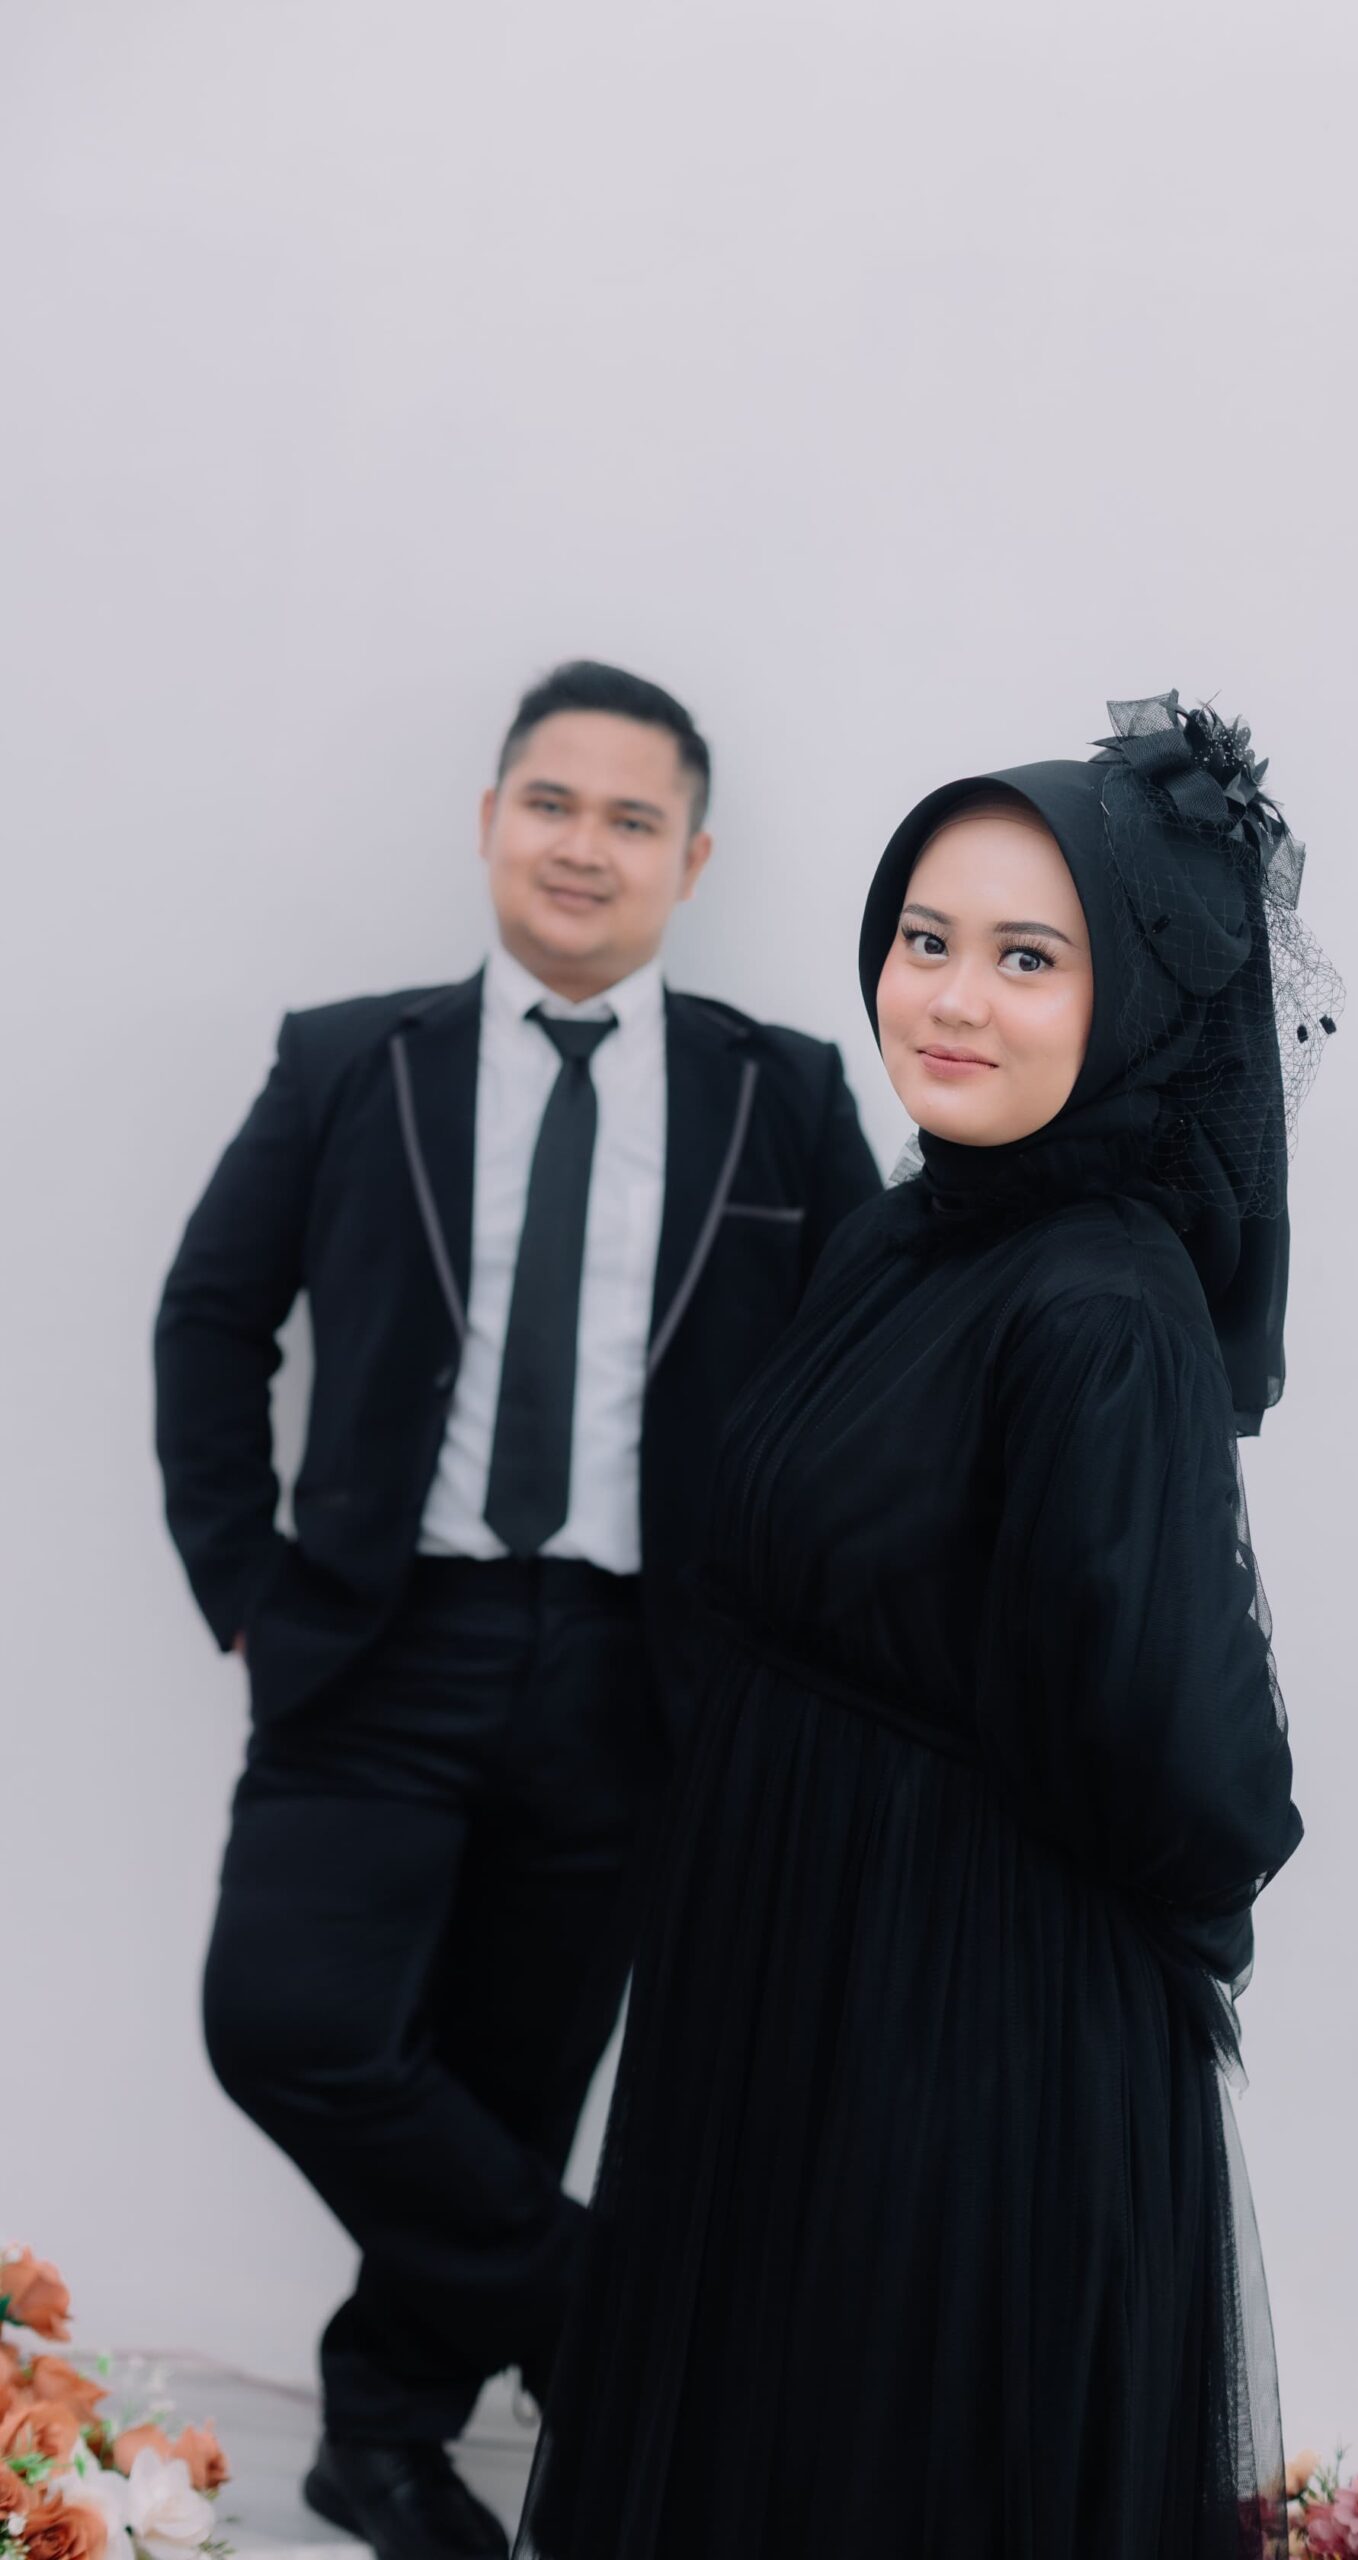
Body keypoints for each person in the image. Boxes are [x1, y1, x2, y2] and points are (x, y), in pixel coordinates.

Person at [515, 691, 1340, 2560]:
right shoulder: (914, 1232)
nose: (951, 1000)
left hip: (958, 2032)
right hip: (796, 1978)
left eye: (1028, 958)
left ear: (1133, 1002)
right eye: (924, 939)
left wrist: (935, 1930)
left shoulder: (1097, 1306)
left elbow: (1185, 1762)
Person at [153, 659, 882, 2560]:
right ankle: (610, 2328)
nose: (585, 846)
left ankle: (384, 2439)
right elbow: (213, 1320)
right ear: (491, 821)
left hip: (646, 1674)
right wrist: (244, 1586)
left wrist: (806, 1652)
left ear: (692, 860)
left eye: (634, 819)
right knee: (287, 2022)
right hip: (377, 1644)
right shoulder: (350, 1064)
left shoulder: (781, 1095)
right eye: (552, 803)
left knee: (512, 2074)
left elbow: (864, 1393)